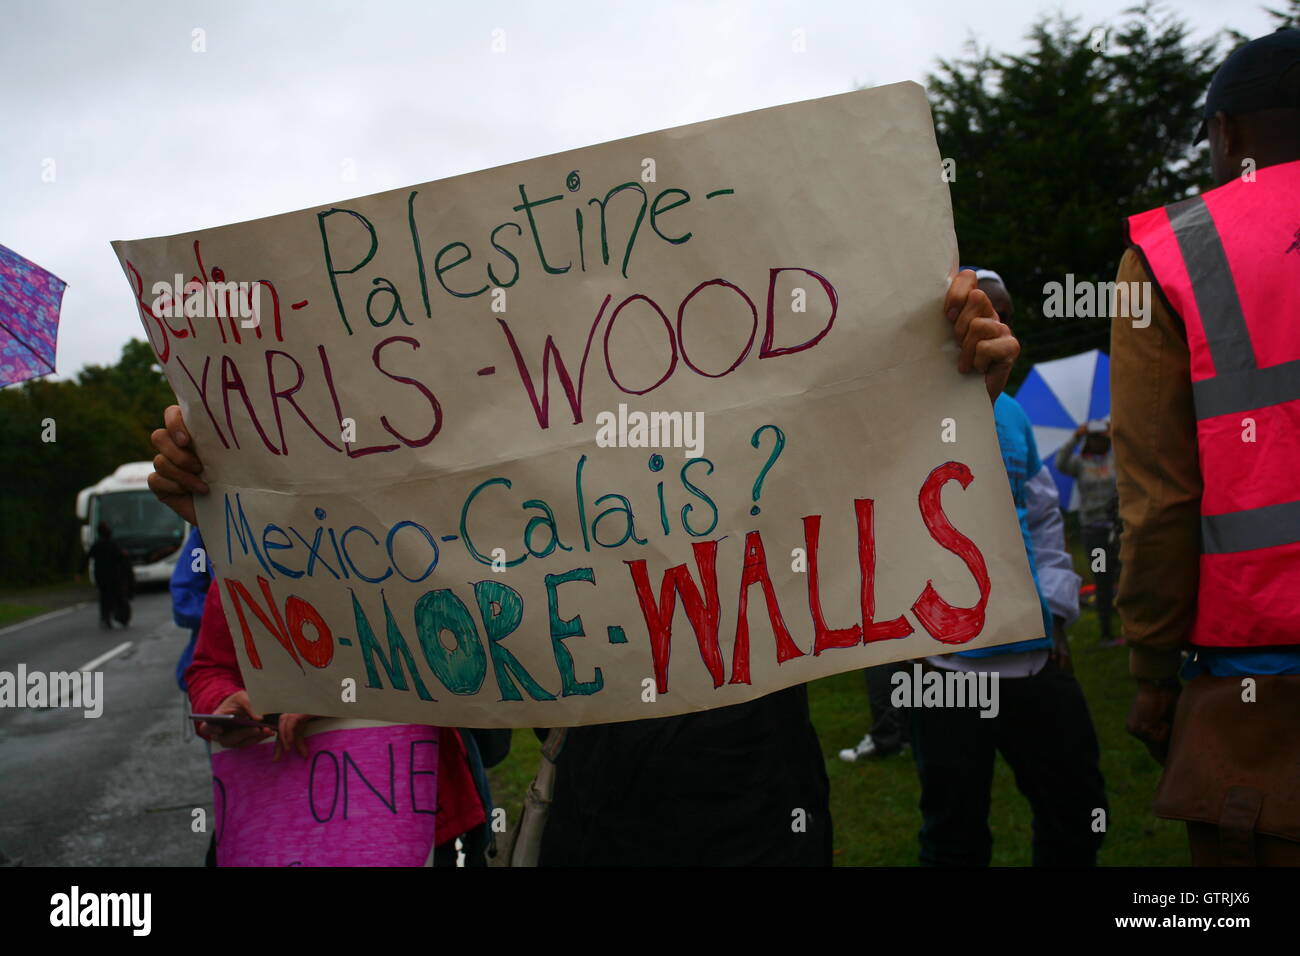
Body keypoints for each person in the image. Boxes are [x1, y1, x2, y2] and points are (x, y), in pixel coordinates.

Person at [148, 269, 1024, 865]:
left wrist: (948, 392)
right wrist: (236, 490)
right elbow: (407, 578)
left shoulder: (767, 472)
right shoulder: (528, 495)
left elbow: (871, 492)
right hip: (593, 804)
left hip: (758, 799)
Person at [1113, 28, 1300, 865]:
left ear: (1226, 132)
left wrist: (1154, 669)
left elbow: (1160, 499)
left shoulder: (1172, 254)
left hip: (1260, 672)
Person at [906, 270, 1105, 867]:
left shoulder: (1015, 414)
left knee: (1075, 806)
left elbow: (1042, 515)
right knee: (953, 828)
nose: (992, 322)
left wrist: (1061, 609)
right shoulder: (911, 409)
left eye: (1004, 313)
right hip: (943, 664)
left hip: (1032, 652)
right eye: (977, 312)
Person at [184, 579, 488, 866]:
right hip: (276, 808)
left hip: (417, 810)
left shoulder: (412, 545)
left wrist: (341, 695)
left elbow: (462, 658)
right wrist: (221, 702)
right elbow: (210, 668)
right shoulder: (240, 549)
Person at [1054, 419, 1121, 645]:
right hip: (1094, 534)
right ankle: (1106, 633)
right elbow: (1060, 462)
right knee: (1102, 580)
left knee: (1126, 576)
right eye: (1094, 439)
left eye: (1101, 438)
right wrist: (1076, 436)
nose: (1098, 442)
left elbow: (1131, 454)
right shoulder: (1080, 464)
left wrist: (1115, 434)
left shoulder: (1116, 460)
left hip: (1118, 531)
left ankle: (1130, 625)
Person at [84, 521, 132, 629]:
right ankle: (120, 617)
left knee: (105, 598)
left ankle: (106, 617)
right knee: (118, 597)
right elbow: (122, 560)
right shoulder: (113, 545)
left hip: (102, 577)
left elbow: (87, 558)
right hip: (113, 577)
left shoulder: (97, 545)